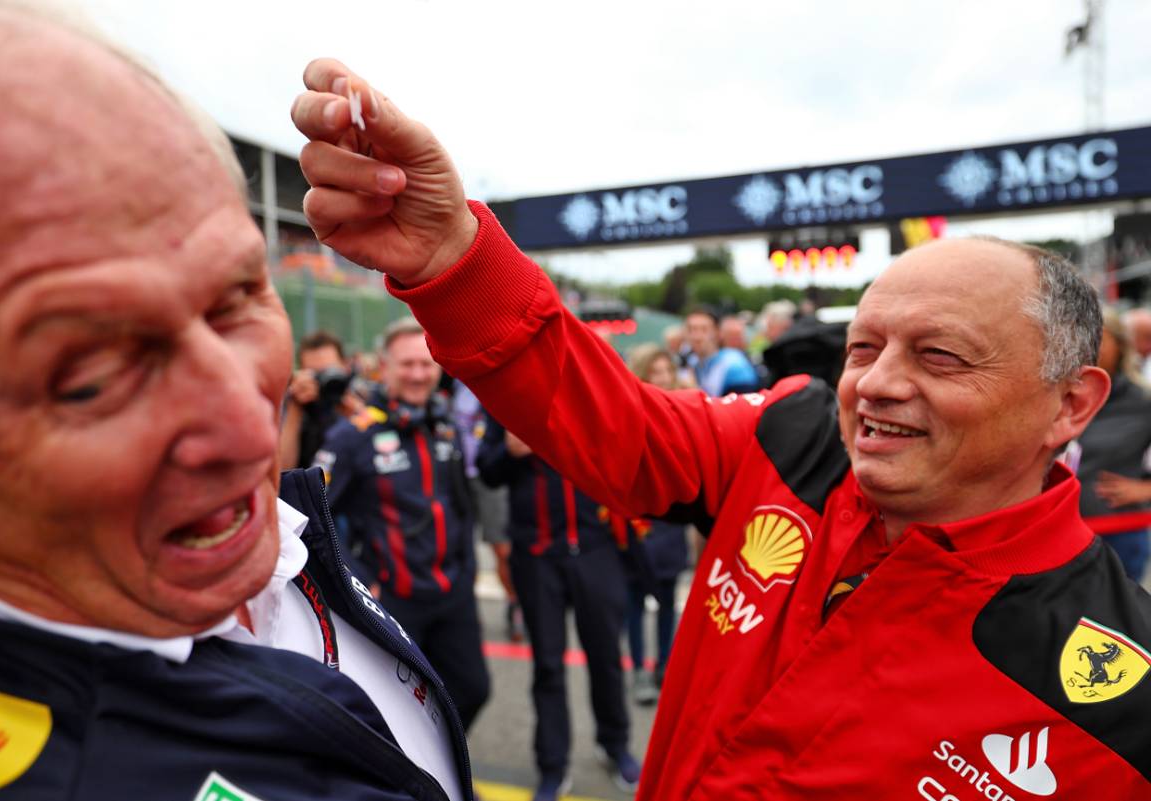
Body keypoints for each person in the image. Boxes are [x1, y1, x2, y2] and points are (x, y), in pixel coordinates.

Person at [290, 60, 1151, 798]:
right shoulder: (794, 437)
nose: (877, 383)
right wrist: (451, 257)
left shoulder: (1117, 701)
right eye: (864, 346)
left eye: (940, 355)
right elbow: (612, 424)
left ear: (1072, 403)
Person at [0, 6, 475, 798]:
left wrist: (457, 261)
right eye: (91, 376)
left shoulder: (270, 539)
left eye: (234, 300)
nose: (245, 422)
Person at [315, 317, 491, 732]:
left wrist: (467, 570)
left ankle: (442, 775)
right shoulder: (353, 436)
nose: (417, 374)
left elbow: (463, 505)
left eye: (426, 364)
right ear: (385, 367)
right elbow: (315, 516)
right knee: (397, 714)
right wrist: (359, 582)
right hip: (395, 598)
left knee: (472, 689)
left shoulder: (444, 425)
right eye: (407, 364)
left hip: (453, 594)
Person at [477, 419, 640, 801]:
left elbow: (627, 454)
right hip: (536, 556)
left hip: (597, 550)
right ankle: (552, 766)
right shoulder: (506, 401)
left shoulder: (590, 392)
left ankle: (614, 745)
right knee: (547, 665)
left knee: (606, 657)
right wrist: (509, 451)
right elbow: (487, 472)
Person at [623, 346, 690, 705]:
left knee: (667, 600)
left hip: (672, 520)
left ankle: (665, 666)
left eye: (667, 370)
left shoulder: (685, 408)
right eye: (655, 370)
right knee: (634, 601)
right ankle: (638, 670)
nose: (662, 377)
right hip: (638, 520)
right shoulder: (628, 410)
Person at [1073, 309, 1151, 581]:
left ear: (1120, 345)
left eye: (1098, 338)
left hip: (1118, 534)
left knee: (1109, 623)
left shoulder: (1143, 401)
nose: (1087, 347)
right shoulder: (1056, 396)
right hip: (1058, 535)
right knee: (1066, 621)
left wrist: (1145, 489)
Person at [451, 378, 524, 641]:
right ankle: (466, 611)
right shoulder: (450, 380)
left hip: (490, 471)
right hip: (456, 472)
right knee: (457, 546)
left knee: (502, 547)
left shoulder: (497, 376)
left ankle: (516, 604)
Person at [278, 329, 355, 470]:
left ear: (345, 366)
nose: (324, 380)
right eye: (315, 374)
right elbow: (282, 471)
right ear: (301, 372)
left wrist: (356, 416)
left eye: (330, 372)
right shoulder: (290, 406)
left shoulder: (362, 398)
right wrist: (295, 408)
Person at [683, 306, 761, 396]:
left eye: (704, 330)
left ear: (717, 333)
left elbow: (740, 407)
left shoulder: (734, 364)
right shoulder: (693, 361)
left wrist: (694, 392)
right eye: (691, 329)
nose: (696, 336)